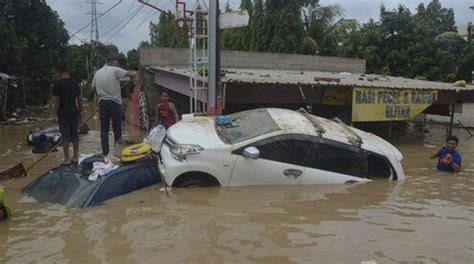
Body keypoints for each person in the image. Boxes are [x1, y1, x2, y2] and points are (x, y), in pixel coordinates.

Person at [92, 55, 136, 156]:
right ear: (111, 62)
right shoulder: (114, 69)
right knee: (117, 129)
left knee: (104, 130)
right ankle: (118, 153)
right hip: (115, 103)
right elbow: (132, 73)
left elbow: (93, 88)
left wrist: (102, 94)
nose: (118, 65)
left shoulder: (97, 73)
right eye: (117, 62)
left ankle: (105, 154)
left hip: (102, 103)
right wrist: (138, 74)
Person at [53, 62, 82, 165]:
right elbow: (79, 99)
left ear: (59, 71)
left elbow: (57, 100)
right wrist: (80, 111)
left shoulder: (57, 84)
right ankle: (75, 157)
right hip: (74, 111)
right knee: (75, 134)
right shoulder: (75, 83)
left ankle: (67, 159)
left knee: (65, 136)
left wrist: (55, 114)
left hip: (63, 113)